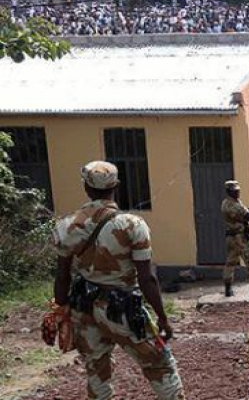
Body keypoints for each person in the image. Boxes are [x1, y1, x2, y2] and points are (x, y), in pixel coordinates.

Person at [53, 161, 185, 400]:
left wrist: (60, 309)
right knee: (160, 364)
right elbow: (147, 279)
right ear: (117, 186)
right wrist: (162, 318)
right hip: (123, 309)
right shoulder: (132, 225)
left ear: (86, 187)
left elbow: (62, 275)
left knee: (96, 370)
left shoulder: (66, 227)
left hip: (85, 309)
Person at [222, 180, 249, 298]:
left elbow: (246, 210)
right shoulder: (230, 205)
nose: (237, 193)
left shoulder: (232, 202)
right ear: (229, 192)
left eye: (238, 191)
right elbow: (245, 213)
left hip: (233, 236)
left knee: (231, 262)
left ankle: (228, 289)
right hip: (239, 237)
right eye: (234, 191)